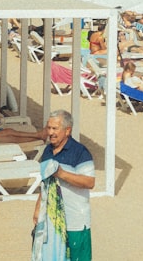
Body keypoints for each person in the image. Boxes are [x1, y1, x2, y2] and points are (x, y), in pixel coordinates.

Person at [33, 110, 95, 261]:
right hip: (51, 220)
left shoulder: (80, 152)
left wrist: (62, 174)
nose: (51, 133)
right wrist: (37, 209)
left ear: (67, 130)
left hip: (75, 220)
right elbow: (45, 182)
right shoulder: (48, 150)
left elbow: (89, 182)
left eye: (55, 129)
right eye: (49, 128)